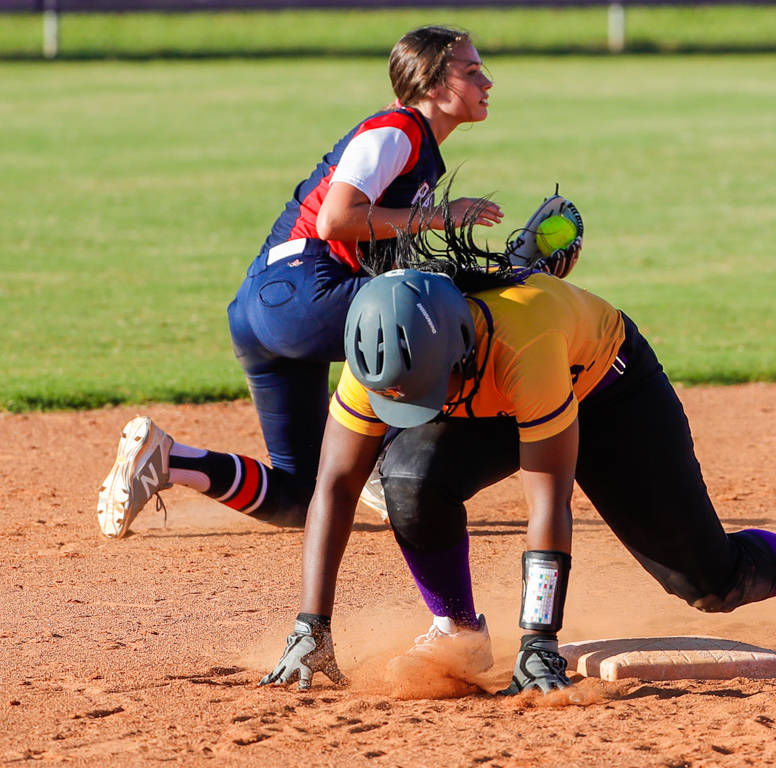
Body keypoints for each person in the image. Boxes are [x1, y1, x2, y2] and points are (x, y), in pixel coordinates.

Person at [258, 205, 776, 693]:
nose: (420, 404)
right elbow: (334, 485)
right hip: (497, 395)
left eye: (428, 389)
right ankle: (457, 630)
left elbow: (548, 501)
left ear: (460, 348)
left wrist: (539, 639)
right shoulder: (383, 352)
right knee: (410, 480)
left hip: (607, 392)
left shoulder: (526, 337)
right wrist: (311, 626)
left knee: (709, 582)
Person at [96, 25, 504, 538]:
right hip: (306, 290)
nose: (486, 81)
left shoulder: (412, 142)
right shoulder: (395, 131)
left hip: (265, 307)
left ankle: (167, 460)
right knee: (443, 320)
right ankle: (382, 459)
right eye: (470, 71)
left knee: (301, 499)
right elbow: (336, 220)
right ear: (430, 84)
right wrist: (444, 217)